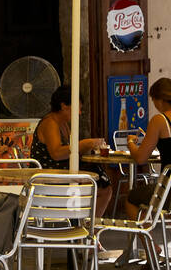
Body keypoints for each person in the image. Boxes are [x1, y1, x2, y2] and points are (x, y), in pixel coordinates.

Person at [123, 77, 171, 266]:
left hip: (170, 189)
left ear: (159, 100)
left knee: (131, 199)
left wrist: (131, 143)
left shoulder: (160, 120)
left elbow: (140, 158)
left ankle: (151, 247)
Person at [29, 85, 115, 218]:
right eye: (78, 108)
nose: (79, 113)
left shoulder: (62, 124)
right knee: (101, 187)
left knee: (102, 183)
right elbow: (56, 154)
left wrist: (85, 147)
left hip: (60, 172)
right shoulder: (50, 123)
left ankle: (86, 224)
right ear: (64, 106)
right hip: (50, 176)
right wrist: (83, 145)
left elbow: (67, 150)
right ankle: (89, 226)